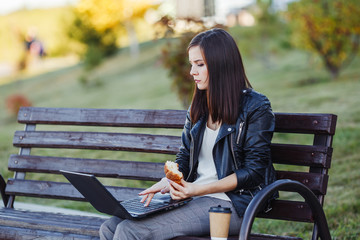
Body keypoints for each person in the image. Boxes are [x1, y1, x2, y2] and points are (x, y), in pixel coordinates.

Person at [99, 28, 277, 240]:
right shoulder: (199, 107)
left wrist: (196, 190)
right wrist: (168, 183)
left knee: (131, 231)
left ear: (221, 65)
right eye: (191, 64)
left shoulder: (255, 107)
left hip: (233, 204)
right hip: (194, 198)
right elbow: (184, 158)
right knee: (110, 227)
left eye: (200, 64)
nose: (192, 71)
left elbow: (254, 172)